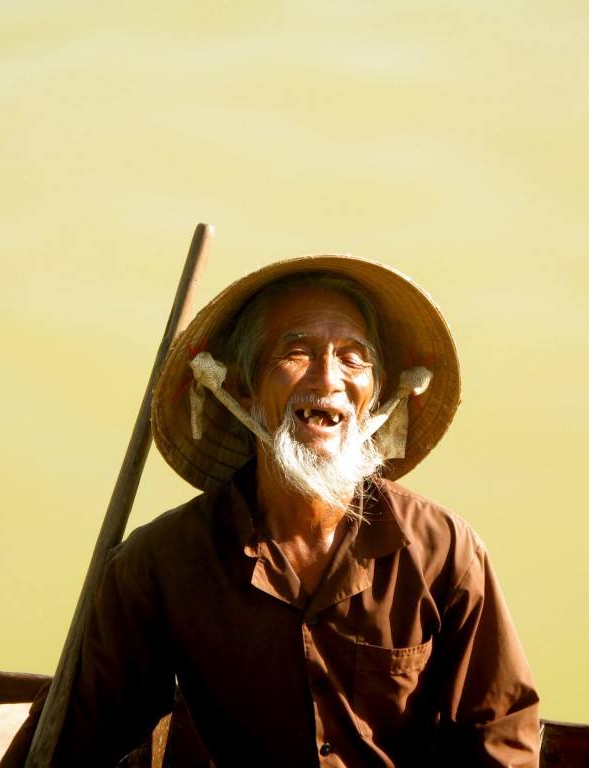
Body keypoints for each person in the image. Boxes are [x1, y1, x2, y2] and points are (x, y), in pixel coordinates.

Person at [55, 255, 540, 766]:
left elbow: (501, 738)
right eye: (297, 352)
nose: (329, 378)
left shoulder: (445, 550)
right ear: (242, 388)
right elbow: (87, 735)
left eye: (354, 358)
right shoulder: (160, 562)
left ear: (376, 395)